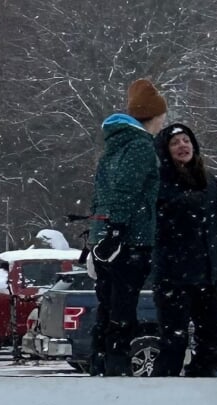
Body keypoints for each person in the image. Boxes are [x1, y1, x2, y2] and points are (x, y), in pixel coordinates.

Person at [90, 79, 167, 377]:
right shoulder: (140, 147)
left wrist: (101, 232)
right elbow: (127, 190)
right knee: (123, 308)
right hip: (129, 240)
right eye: (162, 116)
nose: (164, 122)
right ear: (153, 116)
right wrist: (118, 230)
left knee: (107, 306)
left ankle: (100, 362)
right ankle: (116, 366)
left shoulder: (114, 146)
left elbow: (100, 194)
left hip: (105, 239)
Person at [155, 122, 217, 377]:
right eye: (175, 143)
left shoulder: (210, 181)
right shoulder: (160, 181)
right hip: (174, 275)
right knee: (174, 341)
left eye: (186, 140)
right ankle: (163, 390)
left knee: (214, 339)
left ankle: (201, 382)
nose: (182, 146)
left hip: (209, 273)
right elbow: (171, 212)